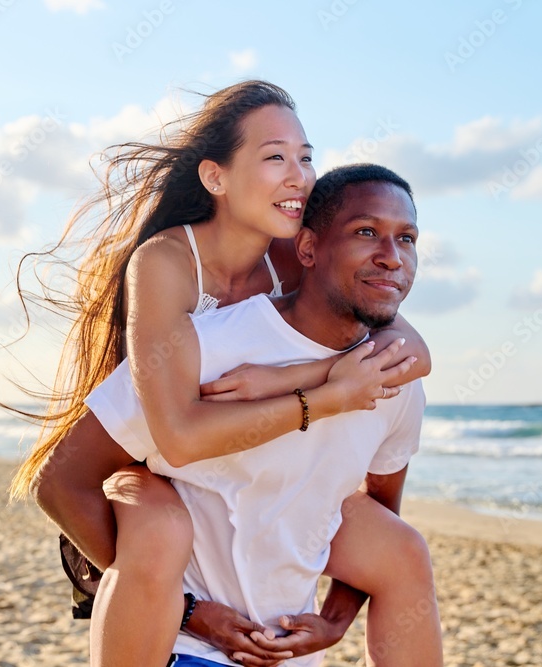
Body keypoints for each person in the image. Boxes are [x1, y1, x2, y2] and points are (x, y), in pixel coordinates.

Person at [6, 81, 435, 665]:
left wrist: (294, 376)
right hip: (152, 449)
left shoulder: (290, 252)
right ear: (216, 177)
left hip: (246, 455)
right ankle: (165, 608)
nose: (299, 175)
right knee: (158, 535)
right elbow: (178, 437)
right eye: (275, 156)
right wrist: (323, 398)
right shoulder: (167, 262)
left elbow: (409, 351)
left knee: (403, 550)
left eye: (306, 157)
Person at [83, 164, 442, 666]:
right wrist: (187, 609)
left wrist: (335, 623)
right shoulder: (209, 349)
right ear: (309, 248)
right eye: (366, 232)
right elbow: (69, 476)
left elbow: (381, 510)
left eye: (407, 239)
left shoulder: (394, 377)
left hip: (288, 653)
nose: (391, 257)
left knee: (407, 550)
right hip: (184, 648)